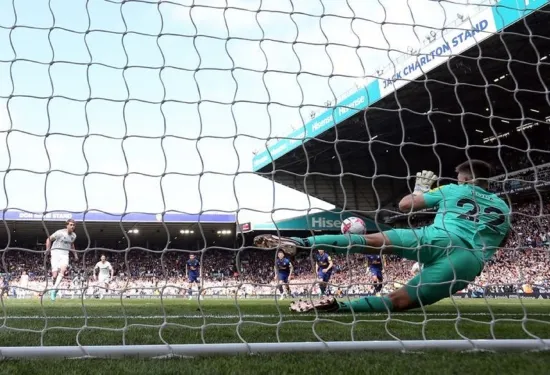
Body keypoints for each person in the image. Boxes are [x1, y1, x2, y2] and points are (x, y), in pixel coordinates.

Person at [254, 160, 511, 314]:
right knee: (398, 301)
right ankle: (340, 307)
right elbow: (503, 240)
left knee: (373, 241)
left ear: (465, 178)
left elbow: (405, 205)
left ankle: (302, 243)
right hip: (466, 261)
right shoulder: (504, 207)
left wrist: (420, 189)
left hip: (437, 236)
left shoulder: (454, 189)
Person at [45, 219, 78, 301]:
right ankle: (55, 288)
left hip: (65, 253)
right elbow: (49, 239)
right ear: (67, 225)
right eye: (70, 224)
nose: (72, 226)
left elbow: (72, 244)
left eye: (73, 225)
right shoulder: (60, 232)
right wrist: (47, 249)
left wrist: (75, 254)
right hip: (55, 252)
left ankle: (53, 289)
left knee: (63, 270)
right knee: (54, 275)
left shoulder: (74, 235)